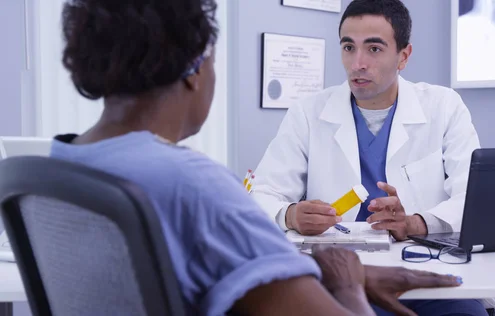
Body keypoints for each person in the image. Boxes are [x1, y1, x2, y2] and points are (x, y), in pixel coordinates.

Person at [50, 0, 461, 315]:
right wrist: (348, 279)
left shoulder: (55, 168)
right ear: (195, 71)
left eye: (373, 48)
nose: (358, 62)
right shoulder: (198, 186)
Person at [251, 0, 491, 315]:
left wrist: (415, 223)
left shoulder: (443, 107)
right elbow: (262, 195)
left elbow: (475, 197)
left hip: (424, 276)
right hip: (339, 283)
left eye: (374, 49)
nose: (357, 63)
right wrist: (291, 214)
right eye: (349, 47)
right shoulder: (308, 114)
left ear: (403, 56)